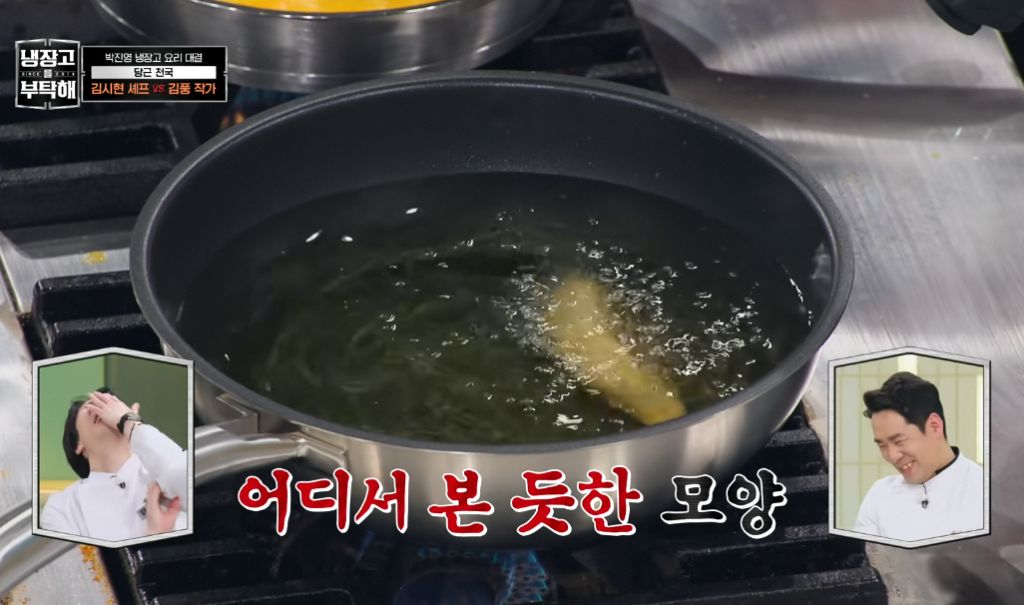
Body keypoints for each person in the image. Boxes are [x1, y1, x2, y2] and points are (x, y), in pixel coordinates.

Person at [40, 388, 188, 541]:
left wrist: (130, 424)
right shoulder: (62, 506)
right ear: (78, 443)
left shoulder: (160, 464)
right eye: (92, 405)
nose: (105, 408)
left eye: (112, 404)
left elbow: (186, 476)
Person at [853, 371, 984, 541]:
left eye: (899, 441)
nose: (892, 456)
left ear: (934, 426)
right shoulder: (879, 495)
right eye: (882, 445)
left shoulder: (985, 492)